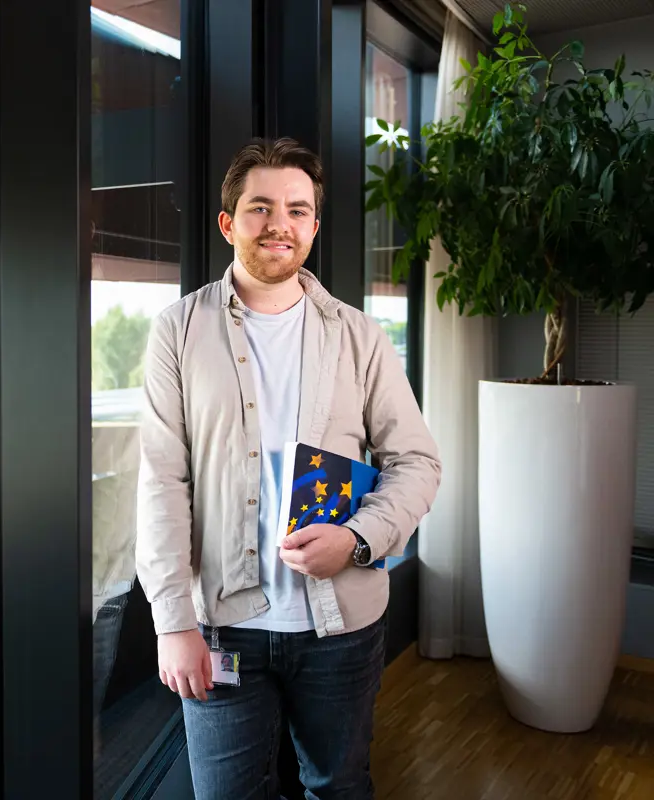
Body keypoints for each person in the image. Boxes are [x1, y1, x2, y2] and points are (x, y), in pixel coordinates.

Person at [135, 137, 440, 800]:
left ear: (314, 226)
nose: (281, 223)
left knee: (338, 786)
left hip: (341, 629)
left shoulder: (360, 336)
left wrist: (357, 538)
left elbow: (415, 462)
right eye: (261, 208)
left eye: (298, 210)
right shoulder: (178, 330)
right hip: (222, 625)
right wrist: (171, 622)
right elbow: (161, 480)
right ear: (228, 223)